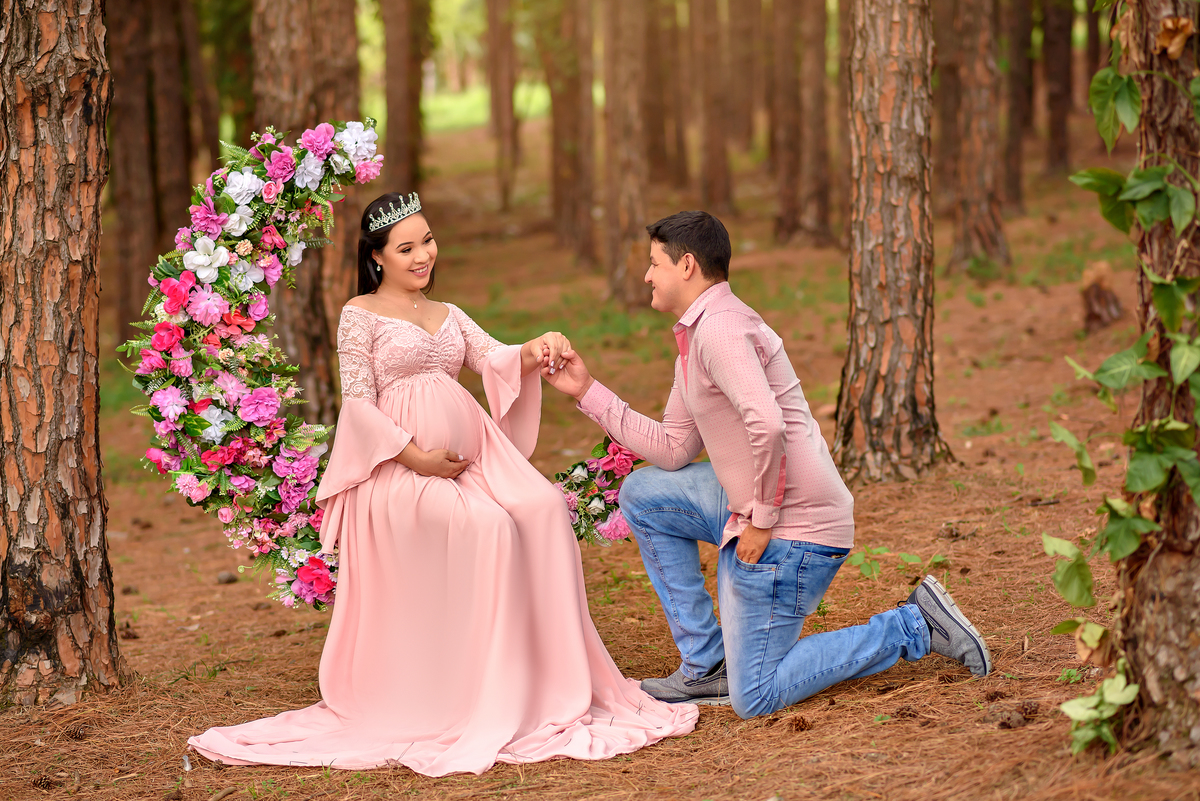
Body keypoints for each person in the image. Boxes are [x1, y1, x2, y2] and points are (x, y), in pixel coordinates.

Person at [188, 193, 697, 776]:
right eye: (406, 248)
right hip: (396, 471)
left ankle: (554, 681)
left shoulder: (448, 313)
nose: (423, 255)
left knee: (542, 506)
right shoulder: (360, 314)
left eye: (427, 241)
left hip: (472, 463)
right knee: (489, 526)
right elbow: (358, 405)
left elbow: (496, 358)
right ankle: (487, 690)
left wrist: (539, 347)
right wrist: (416, 457)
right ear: (377, 258)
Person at [544, 210, 992, 718]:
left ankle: (915, 625)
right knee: (644, 494)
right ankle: (705, 665)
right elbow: (673, 448)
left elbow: (768, 424)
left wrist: (760, 519)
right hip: (760, 505)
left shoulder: (721, 331)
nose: (646, 275)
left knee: (755, 696)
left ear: (686, 265)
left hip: (795, 528)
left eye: (654, 263)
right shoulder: (699, 333)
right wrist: (586, 390)